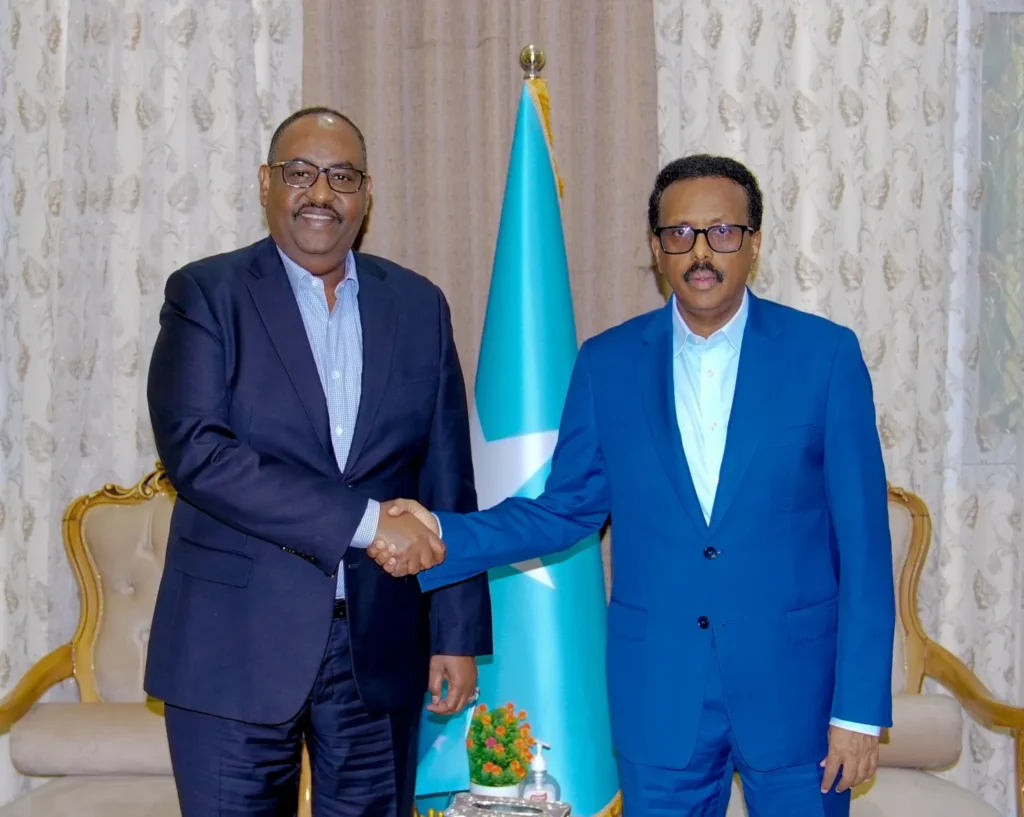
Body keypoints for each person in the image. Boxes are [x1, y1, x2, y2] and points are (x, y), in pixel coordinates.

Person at [368, 155, 895, 817]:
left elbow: (865, 548)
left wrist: (858, 709)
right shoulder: (607, 363)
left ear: (755, 242)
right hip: (660, 694)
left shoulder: (825, 356)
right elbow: (565, 511)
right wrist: (443, 531)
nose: (700, 252)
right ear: (656, 247)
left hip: (796, 693)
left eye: (721, 232)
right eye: (680, 234)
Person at [145, 106, 492, 817]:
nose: (321, 194)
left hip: (379, 648)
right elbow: (199, 455)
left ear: (367, 194)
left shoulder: (418, 305)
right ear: (266, 183)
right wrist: (366, 522)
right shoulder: (206, 295)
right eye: (300, 173)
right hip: (234, 647)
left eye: (342, 176)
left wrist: (456, 635)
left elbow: (446, 476)